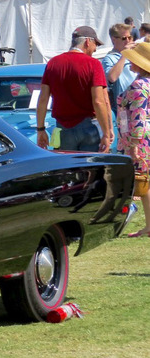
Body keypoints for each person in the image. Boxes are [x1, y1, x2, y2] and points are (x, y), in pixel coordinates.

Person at [36, 26, 112, 153]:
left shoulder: (53, 63)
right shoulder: (93, 64)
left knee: (67, 165)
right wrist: (106, 133)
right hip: (89, 128)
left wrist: (40, 129)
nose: (95, 49)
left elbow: (43, 99)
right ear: (87, 41)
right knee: (91, 164)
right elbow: (99, 101)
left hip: (63, 128)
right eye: (95, 44)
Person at [117, 42, 150, 237]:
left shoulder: (139, 85)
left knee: (140, 182)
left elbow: (139, 115)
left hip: (138, 139)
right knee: (145, 183)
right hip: (143, 137)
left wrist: (135, 144)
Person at [102, 23, 137, 151]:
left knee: (140, 143)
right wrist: (124, 56)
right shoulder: (109, 58)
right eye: (124, 38)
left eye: (129, 37)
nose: (127, 41)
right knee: (126, 142)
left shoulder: (135, 56)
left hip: (139, 106)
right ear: (113, 39)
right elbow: (112, 77)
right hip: (123, 111)